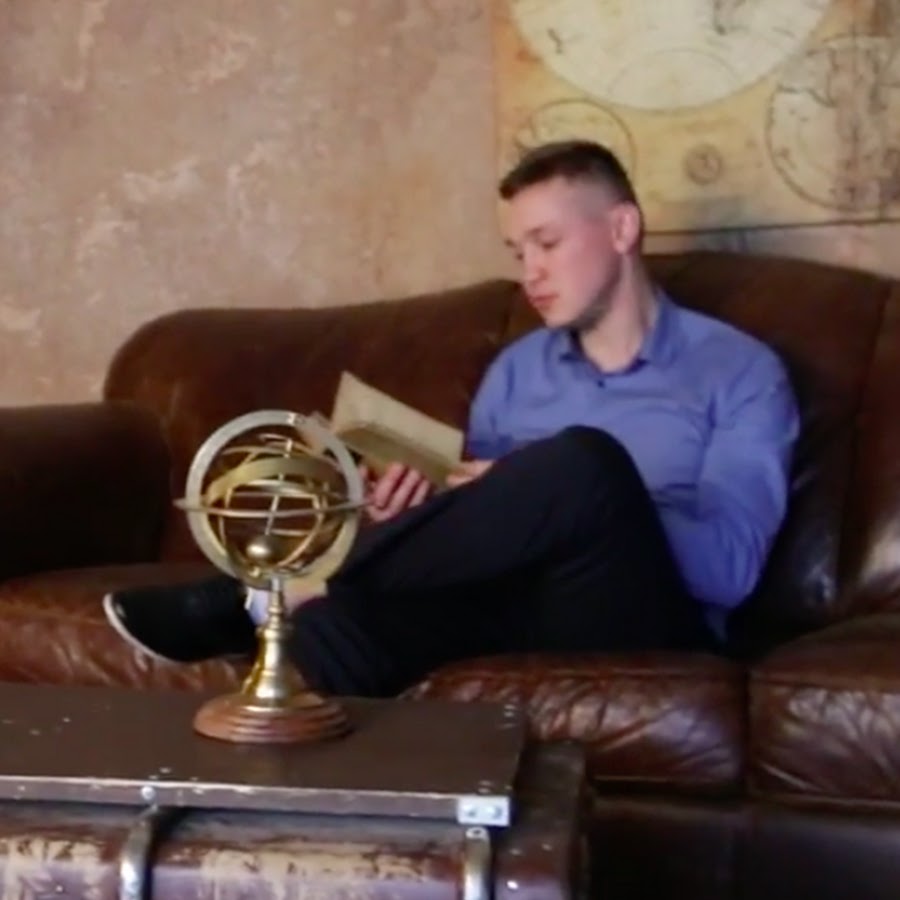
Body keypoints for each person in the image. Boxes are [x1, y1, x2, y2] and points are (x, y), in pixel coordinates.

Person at [104, 139, 800, 697]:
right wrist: (420, 506)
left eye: (548, 243)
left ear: (621, 228)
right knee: (336, 628)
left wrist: (566, 494)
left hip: (639, 612)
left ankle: (270, 587)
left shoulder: (740, 372)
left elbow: (731, 568)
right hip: (514, 605)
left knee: (584, 463)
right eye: (519, 253)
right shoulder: (517, 370)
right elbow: (483, 529)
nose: (530, 273)